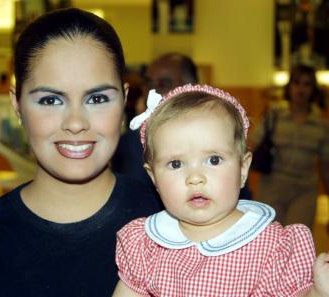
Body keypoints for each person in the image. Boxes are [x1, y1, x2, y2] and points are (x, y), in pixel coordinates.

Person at [0, 8, 161, 296]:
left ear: (124, 100)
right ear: (17, 106)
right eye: (51, 100)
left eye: (97, 98)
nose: (76, 123)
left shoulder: (175, 221)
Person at [112, 84, 329, 297]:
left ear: (243, 169)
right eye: (176, 164)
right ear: (153, 177)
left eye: (214, 160)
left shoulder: (272, 249)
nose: (195, 178)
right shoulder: (145, 244)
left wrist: (318, 292)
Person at [112, 53, 253, 200]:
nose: (152, 91)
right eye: (148, 83)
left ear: (190, 85)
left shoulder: (218, 133)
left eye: (164, 84)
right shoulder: (128, 142)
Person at [250, 64, 329, 230]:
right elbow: (251, 146)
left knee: (297, 238)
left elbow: (325, 165)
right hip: (272, 186)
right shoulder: (274, 116)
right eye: (296, 83)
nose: (301, 89)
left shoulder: (321, 125)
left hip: (304, 189)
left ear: (313, 89)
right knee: (269, 238)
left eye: (307, 84)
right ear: (289, 87)